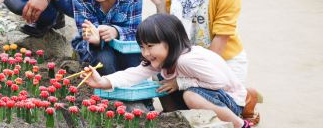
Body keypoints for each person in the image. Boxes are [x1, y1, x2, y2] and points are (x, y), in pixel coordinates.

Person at [82, 14, 253, 128]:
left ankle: (240, 124)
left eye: (150, 46)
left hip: (230, 100)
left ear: (171, 42)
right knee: (164, 81)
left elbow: (219, 82)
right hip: (211, 93)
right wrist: (101, 82)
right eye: (142, 47)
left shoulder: (186, 59)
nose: (145, 53)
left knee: (189, 95)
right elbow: (132, 74)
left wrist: (180, 83)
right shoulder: (160, 60)